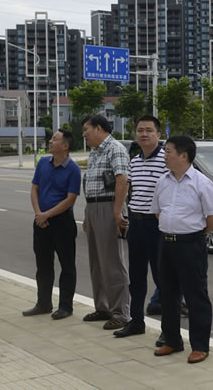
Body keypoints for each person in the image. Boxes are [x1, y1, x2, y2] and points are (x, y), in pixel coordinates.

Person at [151, 135, 213, 364]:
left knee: (195, 295)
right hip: (166, 243)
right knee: (168, 294)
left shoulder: (201, 183)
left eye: (168, 151)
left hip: (191, 244)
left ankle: (200, 346)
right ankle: (172, 339)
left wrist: (193, 234)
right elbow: (158, 212)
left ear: (183, 155)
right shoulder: (163, 181)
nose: (164, 155)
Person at [113, 115, 167, 338]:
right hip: (135, 223)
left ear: (158, 135)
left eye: (149, 130)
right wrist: (121, 213)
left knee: (162, 278)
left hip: (156, 225)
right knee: (136, 277)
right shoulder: (134, 161)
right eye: (140, 130)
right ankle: (136, 322)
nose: (144, 134)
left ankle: (168, 331)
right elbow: (130, 190)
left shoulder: (166, 160)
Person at [22, 129, 81, 320]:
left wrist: (47, 214)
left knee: (67, 265)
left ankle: (65, 306)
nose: (50, 141)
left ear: (65, 145)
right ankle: (43, 303)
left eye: (54, 139)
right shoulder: (42, 164)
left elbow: (70, 199)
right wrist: (38, 213)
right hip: (41, 222)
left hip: (62, 223)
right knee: (43, 265)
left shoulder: (73, 169)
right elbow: (34, 189)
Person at [81, 115, 131, 330]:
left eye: (86, 129)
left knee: (112, 262)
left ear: (99, 128)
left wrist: (117, 212)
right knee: (97, 262)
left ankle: (120, 312)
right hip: (93, 207)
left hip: (109, 206)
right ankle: (103, 307)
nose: (84, 134)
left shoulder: (115, 149)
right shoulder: (94, 152)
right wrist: (87, 214)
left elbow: (122, 180)